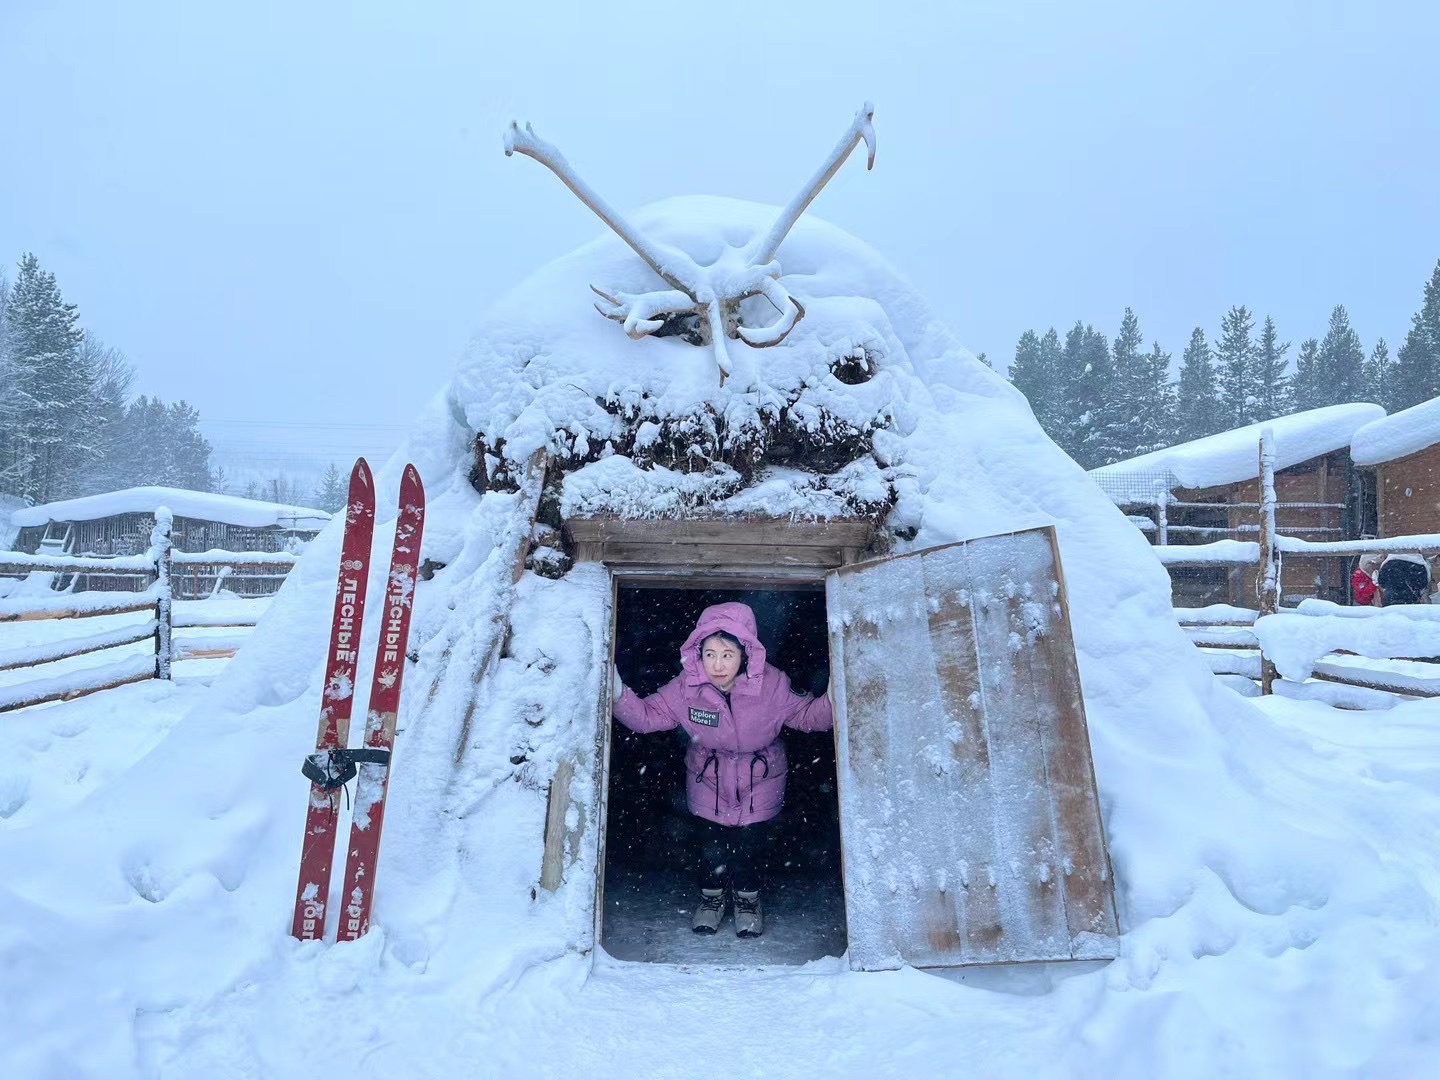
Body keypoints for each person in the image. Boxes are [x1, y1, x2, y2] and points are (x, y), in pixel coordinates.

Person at [611, 601, 832, 938]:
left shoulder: (772, 684)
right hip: (708, 776)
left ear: (745, 653)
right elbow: (646, 717)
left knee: (749, 847)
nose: (717, 664)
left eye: (727, 654)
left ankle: (748, 901)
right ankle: (711, 900)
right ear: (698, 653)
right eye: (709, 653)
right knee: (709, 845)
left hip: (761, 777)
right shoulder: (687, 686)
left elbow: (807, 716)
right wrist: (615, 691)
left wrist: (837, 695)